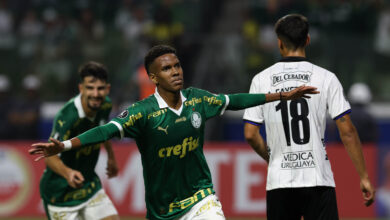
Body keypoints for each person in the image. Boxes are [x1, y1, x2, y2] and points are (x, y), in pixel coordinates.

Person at [30, 45, 318, 220]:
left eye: (177, 65)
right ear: (154, 77)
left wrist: (282, 95)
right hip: (162, 211)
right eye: (167, 69)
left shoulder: (198, 99)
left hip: (200, 197)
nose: (176, 71)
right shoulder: (141, 113)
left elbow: (235, 100)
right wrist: (65, 146)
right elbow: (105, 131)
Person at [243, 14, 375, 220]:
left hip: (280, 182)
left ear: (279, 43)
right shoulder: (326, 78)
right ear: (308, 40)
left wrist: (273, 159)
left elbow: (250, 134)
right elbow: (347, 130)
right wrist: (364, 177)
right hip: (318, 179)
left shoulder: (260, 80)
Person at [38, 61, 119, 220]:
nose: (96, 94)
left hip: (88, 185)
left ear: (107, 89)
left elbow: (102, 131)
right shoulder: (67, 116)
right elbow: (50, 156)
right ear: (81, 88)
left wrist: (111, 156)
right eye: (90, 88)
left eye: (100, 88)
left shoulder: (105, 106)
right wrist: (68, 173)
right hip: (60, 193)